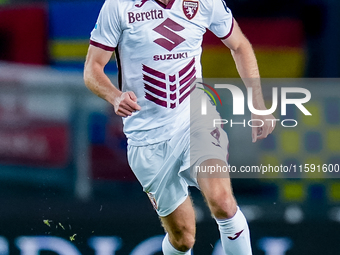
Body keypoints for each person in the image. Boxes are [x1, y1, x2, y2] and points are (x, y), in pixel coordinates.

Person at [84, 0, 276, 254]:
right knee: (182, 238)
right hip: (146, 139)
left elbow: (239, 44)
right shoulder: (119, 6)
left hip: (195, 120)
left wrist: (257, 102)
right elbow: (92, 69)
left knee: (222, 202)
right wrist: (114, 96)